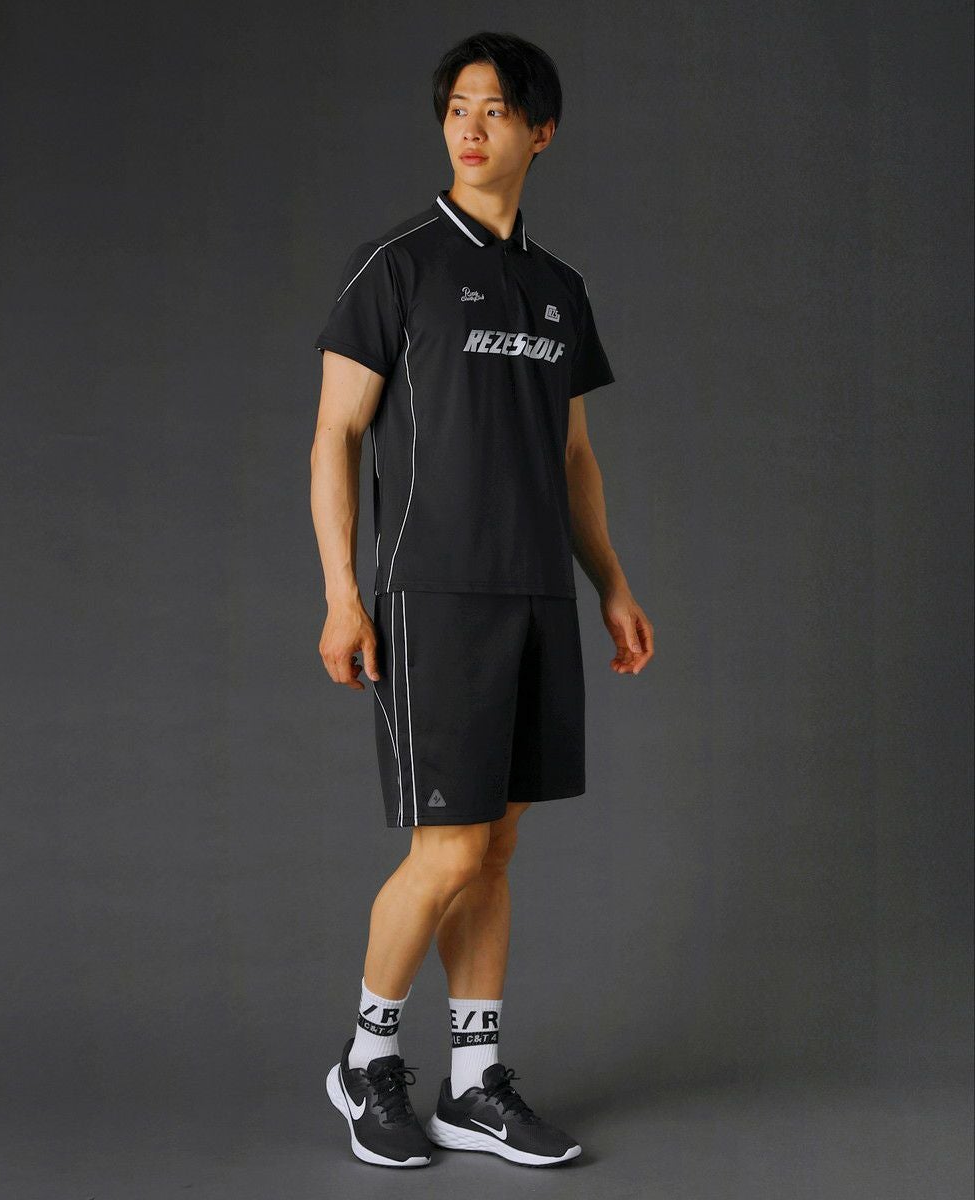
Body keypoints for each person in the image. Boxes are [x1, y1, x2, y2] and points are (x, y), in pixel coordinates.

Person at [310, 30, 653, 1169]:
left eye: (496, 109)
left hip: (536, 596)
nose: (470, 126)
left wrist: (610, 584)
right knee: (448, 851)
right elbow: (335, 435)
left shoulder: (560, 290)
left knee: (495, 854)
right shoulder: (396, 266)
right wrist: (342, 594)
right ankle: (366, 1060)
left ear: (540, 132)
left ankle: (471, 1084)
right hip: (436, 596)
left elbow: (574, 458)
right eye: (458, 106)